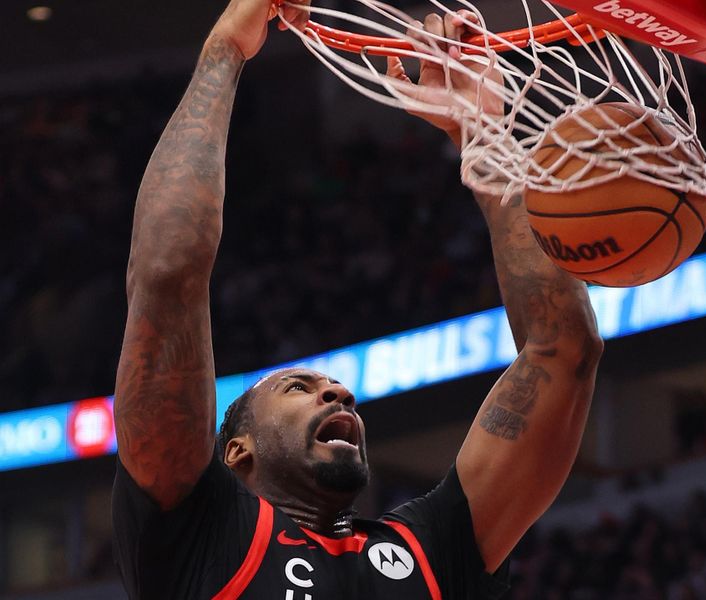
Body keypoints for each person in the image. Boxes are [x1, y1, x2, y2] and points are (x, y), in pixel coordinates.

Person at [111, 0, 604, 597]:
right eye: (299, 387)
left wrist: (487, 139)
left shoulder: (434, 549)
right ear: (235, 451)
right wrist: (224, 51)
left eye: (328, 387)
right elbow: (167, 273)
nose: (338, 390)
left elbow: (564, 349)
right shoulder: (196, 535)